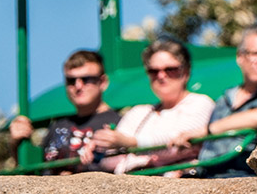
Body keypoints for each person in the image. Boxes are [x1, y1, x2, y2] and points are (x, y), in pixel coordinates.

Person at [171, 21, 257, 178]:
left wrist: (206, 131)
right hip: (206, 176)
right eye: (255, 53)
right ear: (240, 57)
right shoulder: (224, 99)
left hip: (244, 178)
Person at [89, 37, 213, 174]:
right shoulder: (138, 112)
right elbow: (109, 160)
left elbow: (179, 143)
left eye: (170, 69)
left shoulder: (201, 103)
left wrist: (129, 143)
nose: (161, 76)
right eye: (154, 71)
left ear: (186, 72)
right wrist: (100, 146)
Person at [8, 50, 120, 174]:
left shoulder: (120, 124)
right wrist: (16, 145)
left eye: (86, 79)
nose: (78, 86)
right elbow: (32, 175)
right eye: (71, 80)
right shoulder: (57, 126)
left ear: (103, 82)